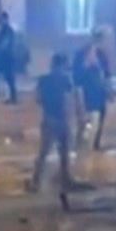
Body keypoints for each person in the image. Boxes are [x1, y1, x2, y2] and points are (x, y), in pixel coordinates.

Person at [27, 52, 80, 207]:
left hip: (48, 118)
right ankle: (66, 179)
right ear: (63, 64)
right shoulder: (66, 79)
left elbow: (38, 99)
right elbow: (71, 97)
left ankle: (36, 181)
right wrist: (76, 115)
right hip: (62, 119)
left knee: (43, 152)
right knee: (64, 152)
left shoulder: (43, 80)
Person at [73, 35, 111, 151]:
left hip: (99, 96)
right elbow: (77, 78)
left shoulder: (102, 56)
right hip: (86, 96)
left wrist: (108, 90)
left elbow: (106, 75)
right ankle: (82, 145)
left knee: (97, 121)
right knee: (86, 123)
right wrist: (87, 64)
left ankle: (94, 143)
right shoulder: (81, 55)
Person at [0, 12, 18, 104]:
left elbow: (4, 43)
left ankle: (13, 98)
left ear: (5, 19)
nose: (0, 21)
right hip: (7, 55)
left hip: (8, 56)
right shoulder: (5, 29)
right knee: (8, 77)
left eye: (1, 19)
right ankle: (11, 97)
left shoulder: (7, 29)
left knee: (10, 77)